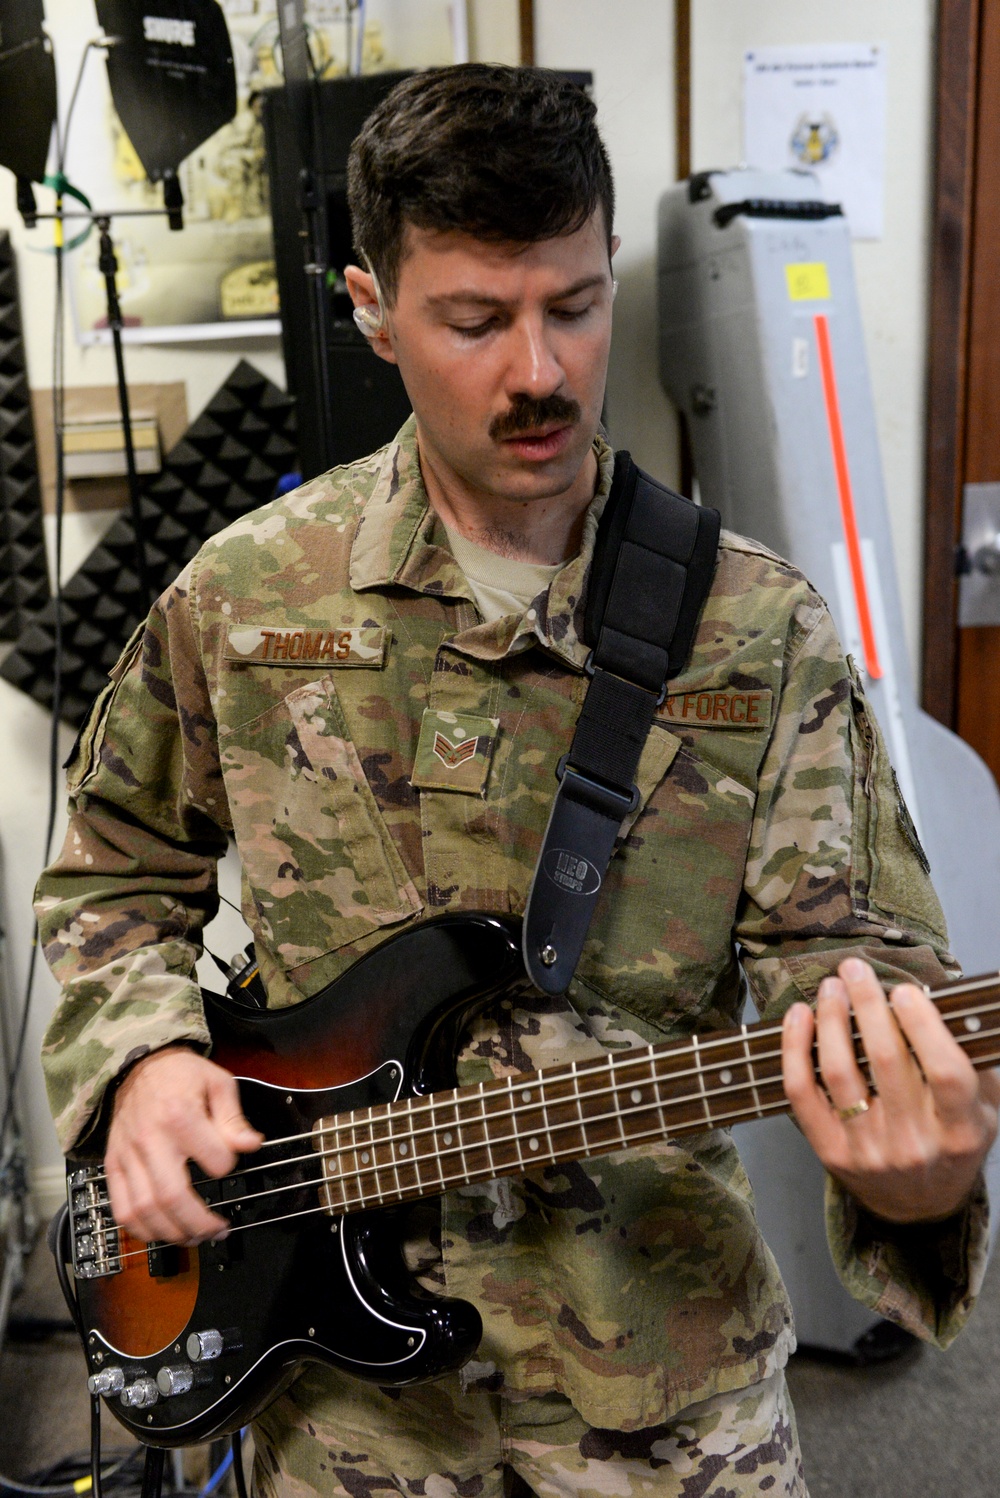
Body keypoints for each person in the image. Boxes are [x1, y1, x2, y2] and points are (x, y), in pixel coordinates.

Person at [36, 65, 998, 1498]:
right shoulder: (246, 597)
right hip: (339, 1425)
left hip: (673, 1409)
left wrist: (913, 1175)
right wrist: (145, 1059)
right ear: (371, 310)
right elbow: (115, 858)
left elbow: (854, 970)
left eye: (573, 304)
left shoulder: (759, 628)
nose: (538, 371)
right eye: (475, 321)